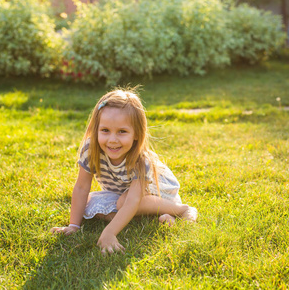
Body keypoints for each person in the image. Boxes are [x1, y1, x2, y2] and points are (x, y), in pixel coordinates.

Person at [50, 86, 197, 254]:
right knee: (89, 205)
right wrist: (73, 226)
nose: (112, 140)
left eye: (122, 132)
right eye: (105, 130)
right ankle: (157, 216)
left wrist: (109, 233)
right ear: (96, 129)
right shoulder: (90, 149)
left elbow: (133, 199)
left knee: (123, 203)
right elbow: (81, 187)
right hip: (122, 192)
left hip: (157, 190)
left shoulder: (142, 160)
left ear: (136, 134)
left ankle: (181, 209)